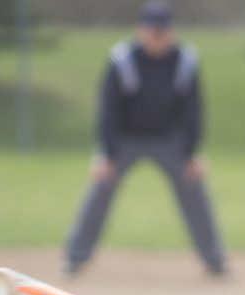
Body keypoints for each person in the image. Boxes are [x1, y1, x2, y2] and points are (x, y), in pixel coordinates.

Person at [64, 1, 228, 278]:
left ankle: (214, 260)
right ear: (140, 30)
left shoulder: (185, 60)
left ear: (173, 31)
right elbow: (109, 109)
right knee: (101, 183)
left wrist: (191, 153)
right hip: (126, 138)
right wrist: (106, 154)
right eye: (152, 31)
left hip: (169, 139)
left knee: (193, 184)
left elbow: (193, 110)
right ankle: (75, 257)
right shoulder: (122, 59)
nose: (157, 36)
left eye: (163, 31)